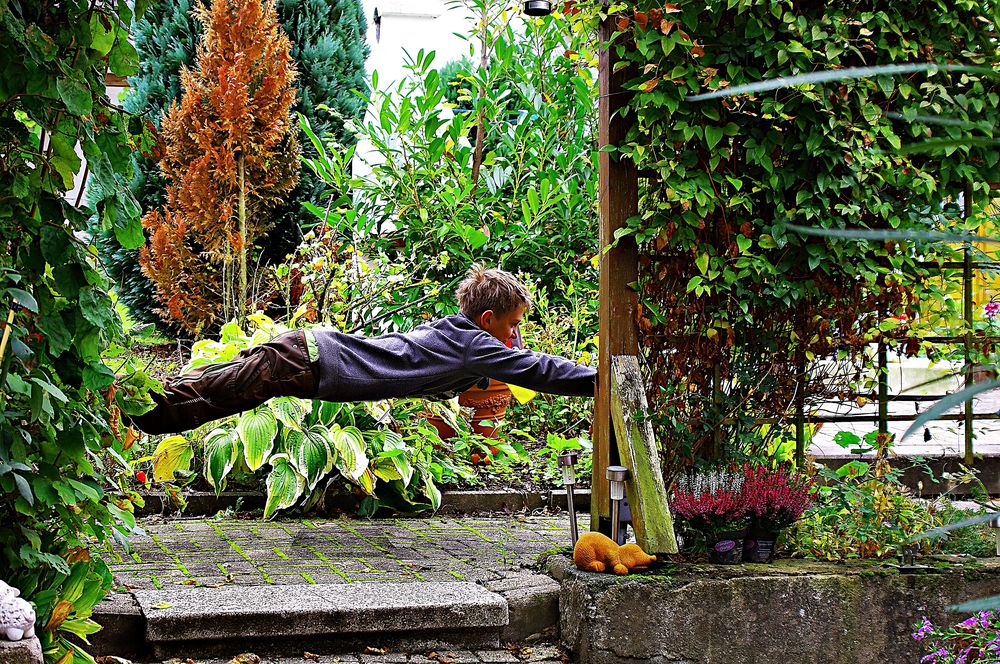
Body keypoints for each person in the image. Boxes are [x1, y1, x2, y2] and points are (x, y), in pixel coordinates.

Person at [130, 265, 596, 435]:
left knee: (212, 390)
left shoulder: (461, 337)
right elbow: (536, 369)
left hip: (309, 353)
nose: (515, 339)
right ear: (487, 320)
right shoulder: (474, 343)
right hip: (310, 358)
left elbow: (476, 372)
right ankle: (128, 409)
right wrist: (597, 379)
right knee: (209, 397)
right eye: (512, 327)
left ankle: (131, 404)